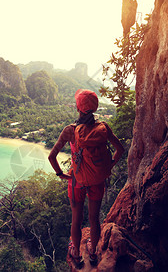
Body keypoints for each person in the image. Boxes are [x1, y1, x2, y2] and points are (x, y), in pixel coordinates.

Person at [48, 89, 124, 267]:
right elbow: (119, 150)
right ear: (95, 107)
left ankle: (76, 252)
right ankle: (93, 252)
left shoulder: (70, 131)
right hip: (97, 181)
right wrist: (109, 166)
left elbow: (52, 157)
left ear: (78, 107)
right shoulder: (103, 128)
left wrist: (62, 175)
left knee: (76, 217)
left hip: (76, 182)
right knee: (94, 218)